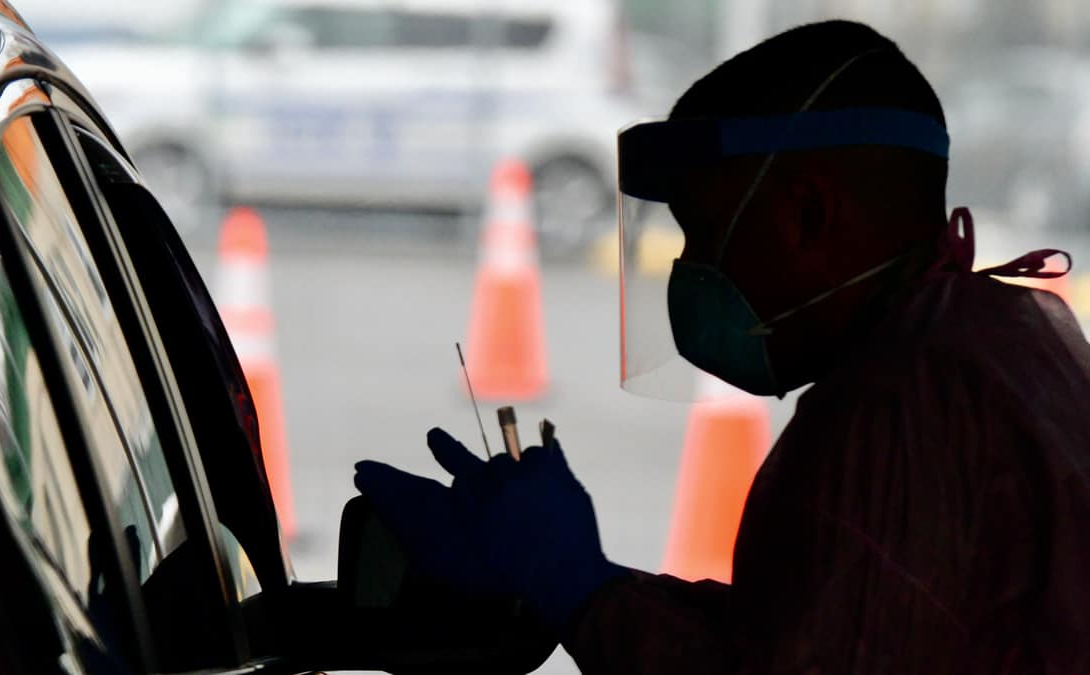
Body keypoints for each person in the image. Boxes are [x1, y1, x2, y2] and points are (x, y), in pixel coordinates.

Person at [354, 20, 1090, 673]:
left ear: (806, 213)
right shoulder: (1005, 336)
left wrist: (573, 584)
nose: (690, 268)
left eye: (704, 231)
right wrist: (589, 579)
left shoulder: (894, 407)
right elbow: (804, 630)